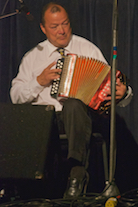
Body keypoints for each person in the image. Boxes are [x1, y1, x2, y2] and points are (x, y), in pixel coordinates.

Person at [10, 2, 133, 198]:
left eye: (65, 24)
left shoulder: (87, 48)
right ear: (43, 28)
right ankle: (29, 190)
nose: (61, 31)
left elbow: (109, 83)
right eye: (54, 26)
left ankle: (76, 173)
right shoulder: (33, 57)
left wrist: (124, 92)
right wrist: (39, 81)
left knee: (74, 104)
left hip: (82, 119)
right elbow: (15, 97)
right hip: (46, 123)